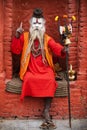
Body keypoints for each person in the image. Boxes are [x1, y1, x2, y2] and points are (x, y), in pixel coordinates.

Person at [11, 8, 66, 129]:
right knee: (29, 79)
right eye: (34, 23)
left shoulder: (46, 38)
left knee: (50, 80)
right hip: (30, 69)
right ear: (31, 24)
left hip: (45, 69)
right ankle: (46, 114)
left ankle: (46, 110)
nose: (36, 26)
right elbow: (16, 51)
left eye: (39, 23)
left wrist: (63, 49)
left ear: (43, 25)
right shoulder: (24, 37)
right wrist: (17, 36)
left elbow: (55, 47)